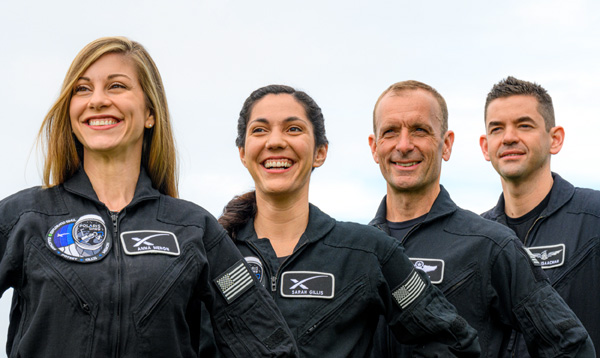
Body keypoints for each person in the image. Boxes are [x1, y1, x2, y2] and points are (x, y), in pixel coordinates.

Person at [0, 37, 298, 358]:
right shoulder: (22, 218)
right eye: (82, 89)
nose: (97, 100)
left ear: (150, 114)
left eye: (116, 86)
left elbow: (266, 343)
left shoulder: (195, 229)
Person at [204, 84, 480, 357]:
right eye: (260, 130)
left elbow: (453, 341)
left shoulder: (368, 252)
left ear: (320, 152)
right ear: (242, 152)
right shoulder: (213, 256)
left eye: (293, 129)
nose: (275, 141)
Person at [367, 80, 594, 357]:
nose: (404, 145)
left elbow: (568, 345)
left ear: (446, 145)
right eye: (390, 132)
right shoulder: (352, 252)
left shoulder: (488, 244)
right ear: (374, 147)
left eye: (419, 130)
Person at [479, 76, 600, 356]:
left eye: (524, 125)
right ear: (485, 147)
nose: (509, 137)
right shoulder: (474, 237)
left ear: (554, 139)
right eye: (497, 128)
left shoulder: (593, 217)